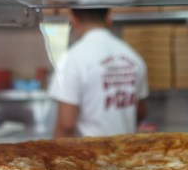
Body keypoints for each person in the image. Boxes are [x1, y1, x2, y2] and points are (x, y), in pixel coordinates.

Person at [48, 8, 148, 138]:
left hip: (91, 149)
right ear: (109, 19)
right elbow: (140, 113)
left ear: (73, 20)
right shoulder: (133, 57)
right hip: (125, 148)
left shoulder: (73, 59)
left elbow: (66, 125)